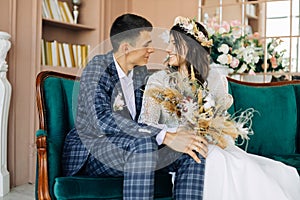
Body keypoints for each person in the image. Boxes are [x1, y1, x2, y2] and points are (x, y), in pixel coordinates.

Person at [138, 16, 300, 200]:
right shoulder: (158, 81)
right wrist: (176, 135)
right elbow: (145, 124)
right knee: (214, 160)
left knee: (243, 165)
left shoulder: (214, 80)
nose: (168, 49)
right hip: (175, 150)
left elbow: (222, 123)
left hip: (210, 144)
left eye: (174, 44)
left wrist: (209, 130)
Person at [62, 13, 208, 199]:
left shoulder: (140, 72)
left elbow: (146, 116)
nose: (152, 50)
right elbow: (100, 119)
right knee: (144, 144)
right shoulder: (97, 68)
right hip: (93, 150)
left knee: (191, 151)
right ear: (126, 48)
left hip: (132, 144)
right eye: (147, 44)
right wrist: (163, 135)